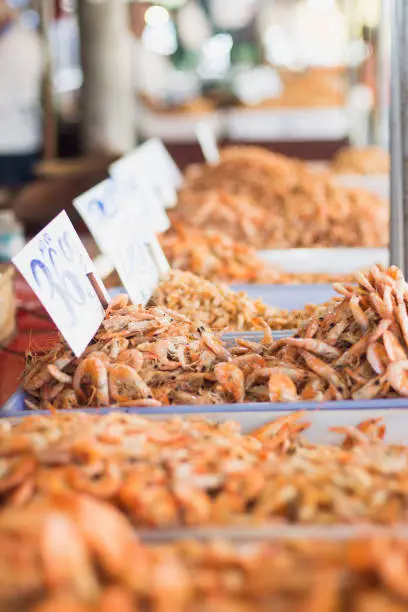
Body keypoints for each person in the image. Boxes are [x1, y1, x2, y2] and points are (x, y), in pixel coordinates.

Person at [0, 1, 44, 190]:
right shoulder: (19, 39)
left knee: (15, 205)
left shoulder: (19, 42)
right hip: (17, 138)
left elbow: (10, 94)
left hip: (12, 142)